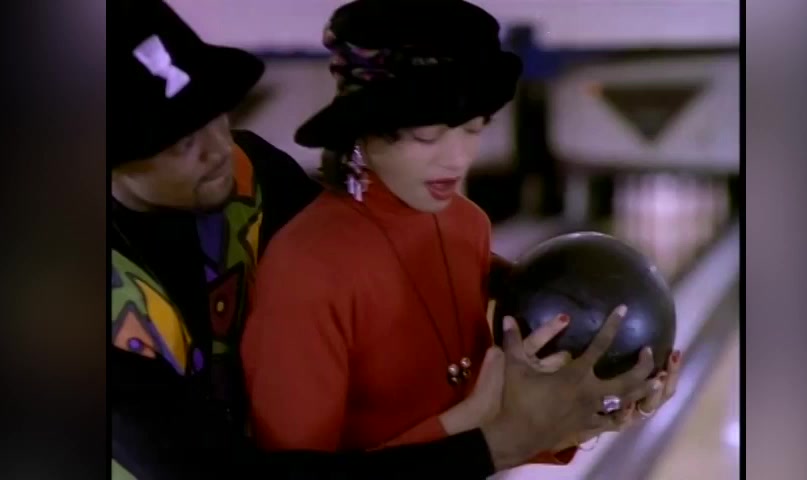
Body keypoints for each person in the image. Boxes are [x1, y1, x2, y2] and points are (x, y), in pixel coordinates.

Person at [111, 0, 677, 478]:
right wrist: (496, 436)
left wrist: (580, 360)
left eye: (215, 115)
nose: (217, 148)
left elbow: (371, 250)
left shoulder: (247, 171)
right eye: (179, 142)